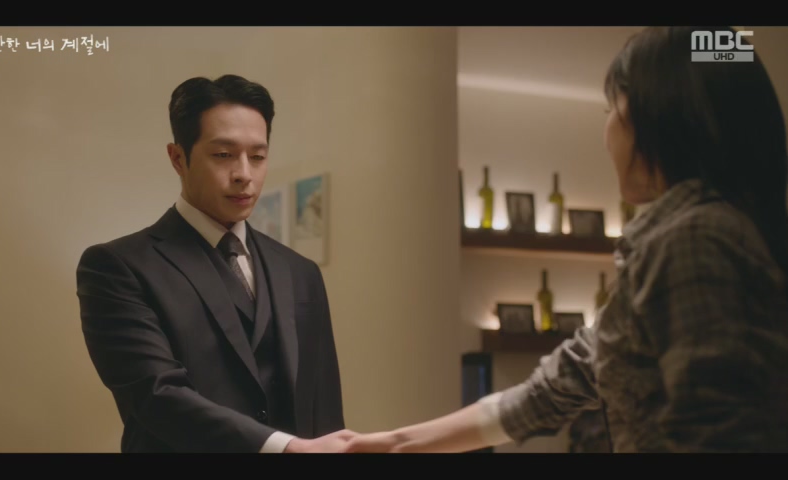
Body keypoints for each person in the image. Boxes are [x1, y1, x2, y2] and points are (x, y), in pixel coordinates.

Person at [343, 26, 788, 453]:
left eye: (611, 109)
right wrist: (397, 444)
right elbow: (554, 387)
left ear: (660, 117)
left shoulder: (693, 239)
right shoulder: (697, 236)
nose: (607, 132)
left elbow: (720, 435)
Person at [76, 74, 353, 453]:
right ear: (178, 158)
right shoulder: (117, 267)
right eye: (223, 155)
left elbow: (323, 407)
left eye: (258, 157)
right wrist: (283, 448)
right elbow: (157, 396)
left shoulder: (299, 270)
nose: (244, 174)